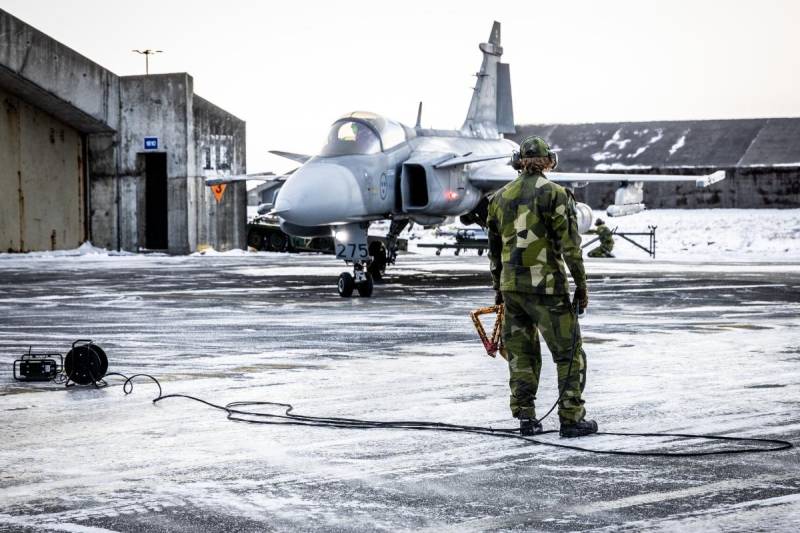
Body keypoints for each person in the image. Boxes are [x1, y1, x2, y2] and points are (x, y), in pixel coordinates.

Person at [486, 136, 598, 438]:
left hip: (512, 289)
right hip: (547, 289)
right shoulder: (556, 195)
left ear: (519, 161)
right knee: (569, 353)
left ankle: (526, 418)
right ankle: (571, 418)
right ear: (549, 160)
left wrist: (499, 290)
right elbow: (571, 248)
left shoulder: (498, 198)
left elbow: (494, 253)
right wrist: (582, 286)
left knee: (522, 356)